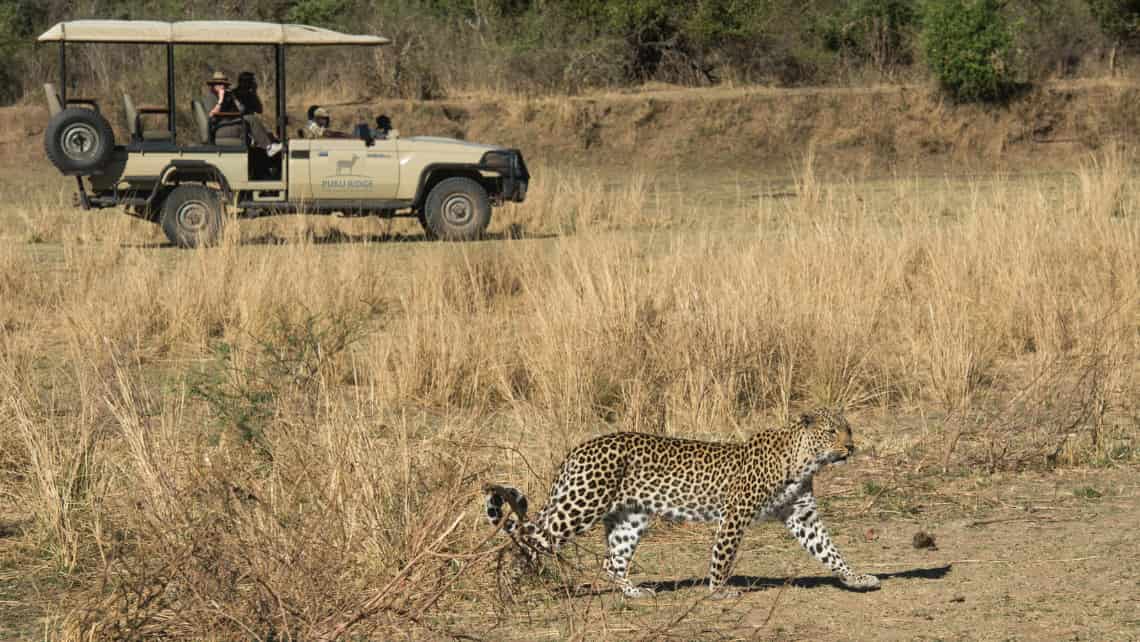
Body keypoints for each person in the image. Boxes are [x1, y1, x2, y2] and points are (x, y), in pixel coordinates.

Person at [205, 71, 281, 156]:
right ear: (213, 85)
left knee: (263, 130)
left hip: (229, 124)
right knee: (250, 119)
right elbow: (211, 115)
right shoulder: (210, 97)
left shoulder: (229, 96)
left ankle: (268, 148)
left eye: (224, 84)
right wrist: (220, 101)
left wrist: (233, 98)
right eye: (219, 84)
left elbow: (242, 110)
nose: (222, 86)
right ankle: (269, 147)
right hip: (218, 129)